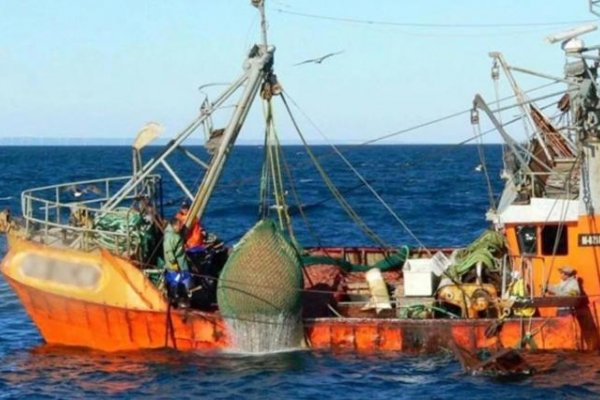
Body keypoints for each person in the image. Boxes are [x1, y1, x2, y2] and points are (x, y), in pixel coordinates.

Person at [163, 216, 192, 308]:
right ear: (174, 226)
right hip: (176, 267)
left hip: (181, 264)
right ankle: (178, 301)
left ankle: (180, 299)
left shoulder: (175, 235)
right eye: (179, 225)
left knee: (181, 281)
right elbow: (169, 251)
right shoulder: (171, 237)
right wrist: (174, 265)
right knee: (178, 282)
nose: (181, 226)